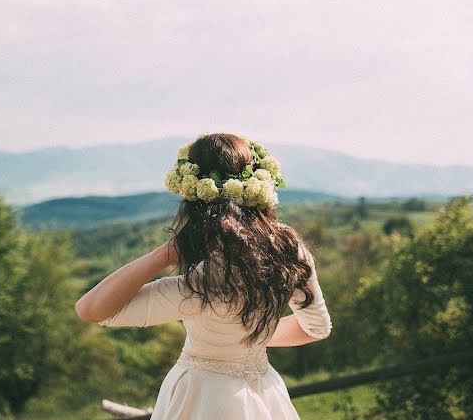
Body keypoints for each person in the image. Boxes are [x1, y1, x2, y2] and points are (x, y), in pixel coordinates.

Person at [75, 132, 332, 419]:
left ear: (193, 198)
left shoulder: (200, 284)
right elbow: (316, 328)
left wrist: (165, 254)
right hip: (264, 398)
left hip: (198, 399)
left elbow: (91, 309)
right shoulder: (289, 253)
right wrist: (252, 335)